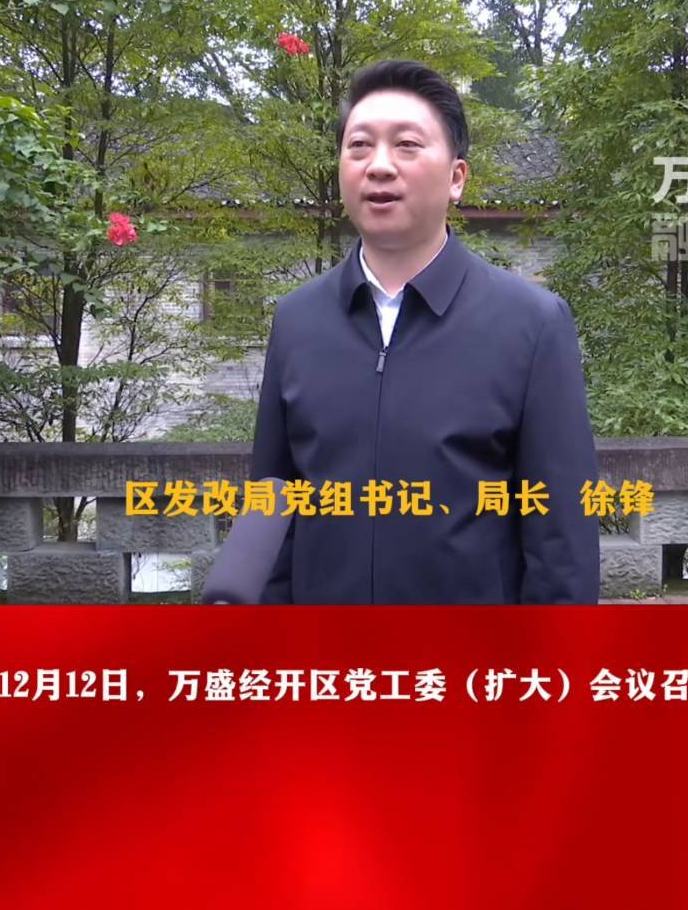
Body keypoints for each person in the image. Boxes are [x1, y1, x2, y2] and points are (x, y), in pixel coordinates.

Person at [238, 59, 600, 605]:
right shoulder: (297, 319)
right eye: (359, 146)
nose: (379, 166)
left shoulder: (531, 323)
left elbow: (562, 541)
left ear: (457, 178)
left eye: (406, 145)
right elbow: (273, 505)